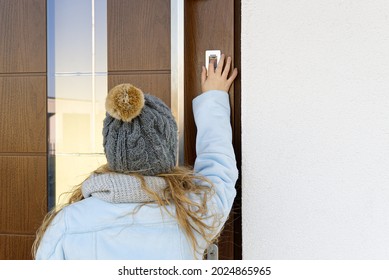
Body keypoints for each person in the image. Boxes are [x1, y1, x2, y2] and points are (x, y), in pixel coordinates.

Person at [33, 54, 238, 260]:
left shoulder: (68, 225)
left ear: (111, 150)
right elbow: (219, 168)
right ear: (166, 149)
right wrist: (214, 97)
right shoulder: (193, 215)